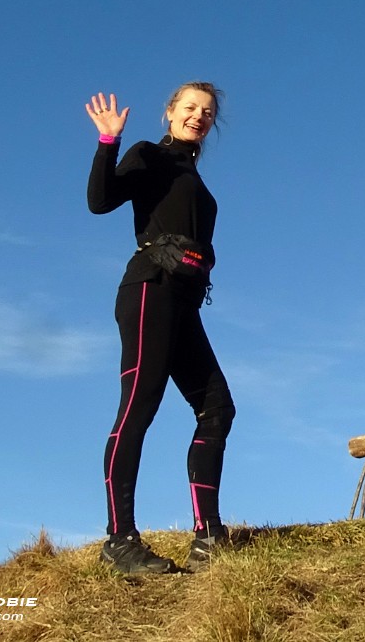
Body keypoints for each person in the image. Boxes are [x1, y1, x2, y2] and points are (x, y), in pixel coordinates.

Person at [85, 83, 236, 573]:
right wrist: (108, 143)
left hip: (183, 303)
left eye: (207, 112)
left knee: (217, 407)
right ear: (170, 112)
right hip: (149, 288)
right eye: (190, 108)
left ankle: (208, 535)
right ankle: (120, 539)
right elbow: (101, 200)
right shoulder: (150, 155)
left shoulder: (194, 177)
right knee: (139, 405)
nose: (199, 116)